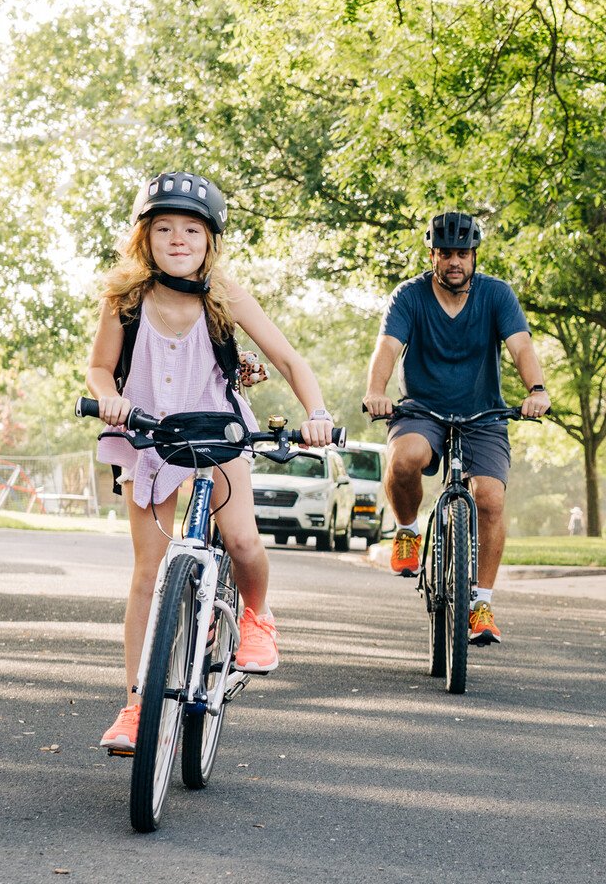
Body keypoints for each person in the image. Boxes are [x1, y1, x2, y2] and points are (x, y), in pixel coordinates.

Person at [87, 171, 336, 754]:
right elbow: (100, 367)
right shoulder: (124, 297)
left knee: (243, 539)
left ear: (210, 241)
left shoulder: (224, 295)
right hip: (148, 434)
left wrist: (317, 411)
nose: (178, 239)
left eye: (192, 230)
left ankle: (257, 616)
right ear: (144, 237)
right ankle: (135, 705)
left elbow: (291, 360)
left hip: (220, 431)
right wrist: (110, 396)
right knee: (148, 575)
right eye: (164, 228)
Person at [361, 213, 550, 646]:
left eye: (462, 253)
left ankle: (481, 602)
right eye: (445, 253)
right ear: (432, 255)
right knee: (405, 458)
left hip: (483, 413)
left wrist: (536, 389)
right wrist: (376, 390)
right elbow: (387, 347)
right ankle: (407, 531)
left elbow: (520, 345)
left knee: (489, 497)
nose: (453, 261)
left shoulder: (497, 295)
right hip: (422, 409)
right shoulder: (409, 296)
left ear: (473, 257)